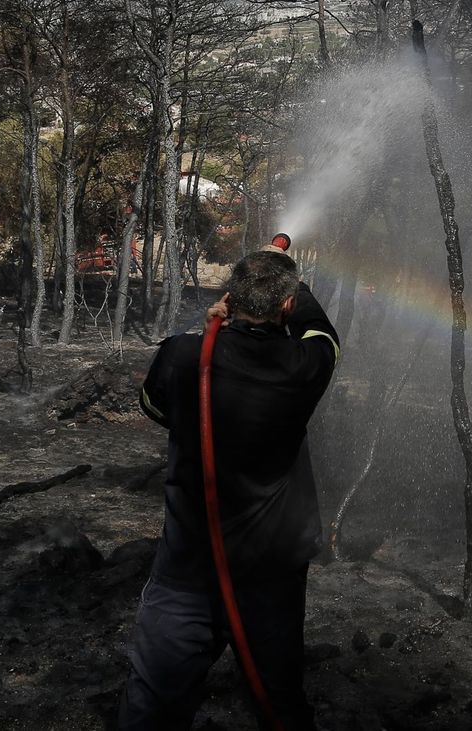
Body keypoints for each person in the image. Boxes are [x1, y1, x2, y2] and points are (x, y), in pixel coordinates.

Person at [119, 248, 339, 730]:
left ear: (229, 297)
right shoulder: (303, 366)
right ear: (285, 305)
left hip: (187, 571)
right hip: (272, 574)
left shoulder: (183, 355)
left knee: (152, 707)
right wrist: (294, 291)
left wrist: (208, 330)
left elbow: (155, 409)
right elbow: (323, 332)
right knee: (279, 702)